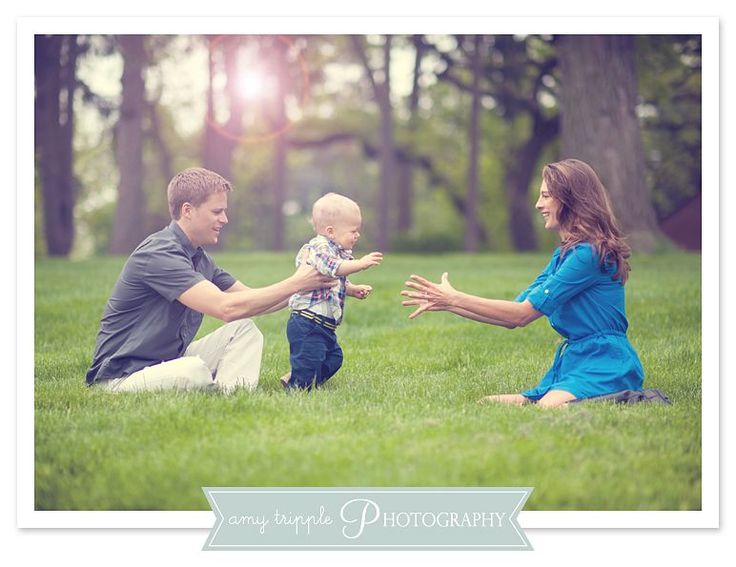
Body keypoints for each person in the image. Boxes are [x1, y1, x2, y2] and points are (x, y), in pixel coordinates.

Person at [401, 158, 645, 408]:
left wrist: (454, 298)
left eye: (546, 196)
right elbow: (512, 315)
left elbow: (521, 315)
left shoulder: (588, 255)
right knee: (489, 402)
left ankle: (633, 398)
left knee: (549, 408)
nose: (538, 204)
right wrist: (448, 303)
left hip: (607, 362)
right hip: (577, 360)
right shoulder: (564, 255)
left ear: (571, 200)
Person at [86, 167, 335, 393]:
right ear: (188, 210)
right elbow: (226, 308)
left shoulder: (200, 258)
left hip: (166, 362)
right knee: (192, 370)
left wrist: (315, 284)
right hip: (122, 376)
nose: (224, 219)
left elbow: (251, 300)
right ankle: (216, 390)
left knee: (244, 329)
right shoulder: (158, 253)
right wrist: (297, 283)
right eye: (217, 211)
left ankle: (233, 399)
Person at [282, 193, 382, 390]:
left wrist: (352, 289)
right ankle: (297, 389)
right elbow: (333, 267)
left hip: (325, 325)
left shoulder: (336, 250)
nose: (357, 235)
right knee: (309, 359)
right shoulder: (318, 248)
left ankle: (299, 377)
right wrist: (361, 264)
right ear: (331, 231)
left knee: (335, 357)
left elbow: (334, 281)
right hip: (307, 322)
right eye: (353, 231)